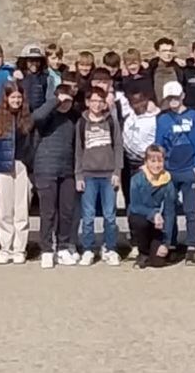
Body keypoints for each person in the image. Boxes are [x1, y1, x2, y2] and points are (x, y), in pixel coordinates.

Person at [154, 80, 195, 265]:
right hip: (169, 170)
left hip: (189, 169)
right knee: (169, 210)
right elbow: (158, 144)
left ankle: (191, 246)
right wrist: (159, 167)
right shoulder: (163, 119)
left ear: (182, 96)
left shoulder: (194, 116)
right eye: (170, 98)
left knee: (191, 210)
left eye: (176, 97)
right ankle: (170, 243)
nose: (173, 101)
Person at [32, 82, 80, 267]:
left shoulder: (73, 118)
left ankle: (62, 247)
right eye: (63, 100)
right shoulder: (47, 115)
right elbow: (36, 117)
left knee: (66, 211)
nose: (66, 104)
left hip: (67, 169)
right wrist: (55, 101)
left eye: (69, 101)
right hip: (46, 169)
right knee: (48, 212)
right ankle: (46, 249)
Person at [74, 87, 122, 266]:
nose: (97, 104)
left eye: (101, 101)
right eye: (94, 101)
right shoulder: (81, 123)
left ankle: (110, 248)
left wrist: (117, 172)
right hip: (88, 175)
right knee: (88, 216)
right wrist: (79, 175)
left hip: (108, 175)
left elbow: (118, 147)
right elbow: (78, 151)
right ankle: (88, 249)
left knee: (110, 215)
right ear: (87, 102)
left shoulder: (111, 121)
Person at [0, 83, 34, 264]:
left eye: (19, 97)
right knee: (5, 209)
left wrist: (31, 170)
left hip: (22, 166)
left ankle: (19, 249)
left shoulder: (28, 119)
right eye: (13, 97)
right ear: (6, 98)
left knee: (22, 210)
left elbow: (33, 145)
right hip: (3, 166)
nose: (16, 100)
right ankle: (5, 247)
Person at [127, 145, 177, 269]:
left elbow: (170, 213)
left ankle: (162, 247)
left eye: (160, 161)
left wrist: (166, 243)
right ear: (146, 162)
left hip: (159, 225)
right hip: (143, 218)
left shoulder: (168, 182)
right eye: (153, 161)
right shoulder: (136, 180)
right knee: (138, 220)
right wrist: (153, 214)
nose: (156, 165)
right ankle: (143, 252)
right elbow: (135, 206)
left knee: (158, 262)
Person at [117, 86, 159, 205]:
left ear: (147, 101)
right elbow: (117, 96)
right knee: (130, 197)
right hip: (128, 163)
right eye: (135, 103)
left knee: (146, 198)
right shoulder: (129, 116)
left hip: (145, 163)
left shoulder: (155, 118)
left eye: (142, 101)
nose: (138, 105)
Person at [15, 44, 52, 111]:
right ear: (24, 61)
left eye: (37, 61)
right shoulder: (18, 77)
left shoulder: (45, 77)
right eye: (31, 61)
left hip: (40, 114)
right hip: (22, 113)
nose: (34, 64)